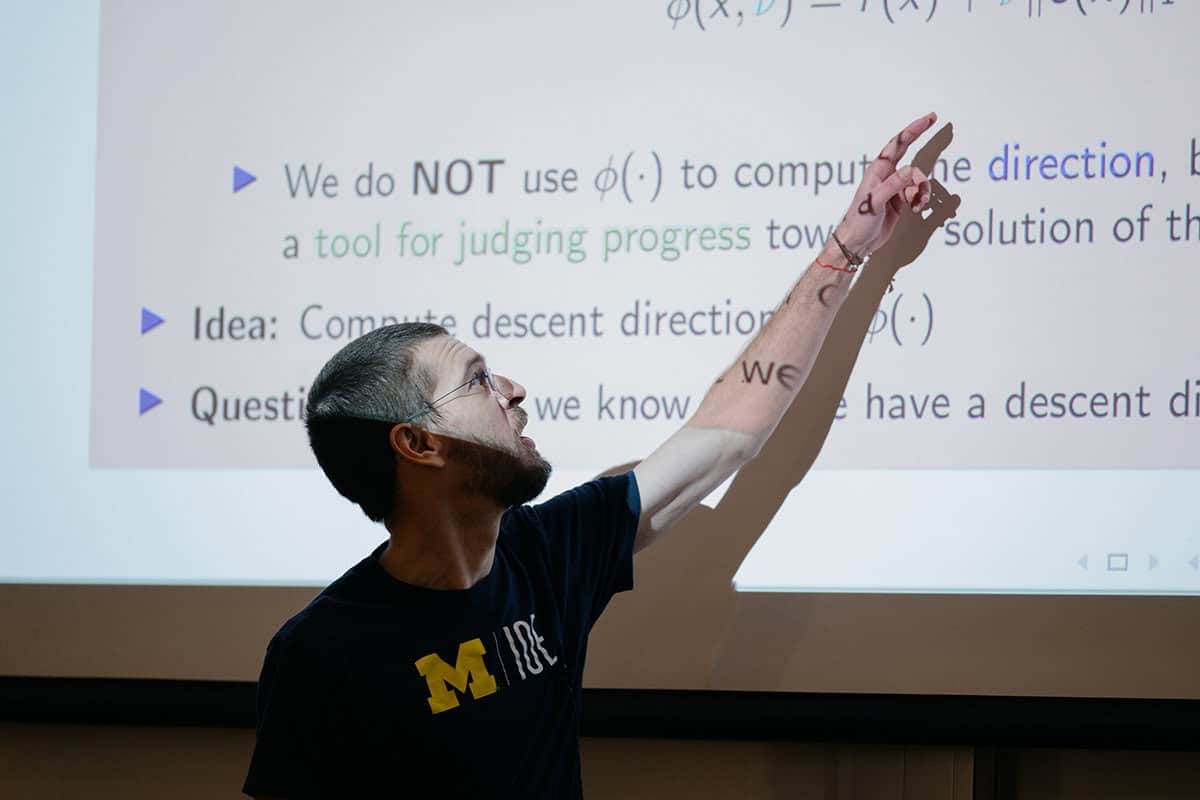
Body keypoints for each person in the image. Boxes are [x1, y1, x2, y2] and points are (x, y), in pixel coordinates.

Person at [243, 113, 939, 799]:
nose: (513, 391)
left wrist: (845, 251)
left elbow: (731, 430)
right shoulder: (322, 654)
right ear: (419, 444)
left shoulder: (546, 553)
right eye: (479, 380)